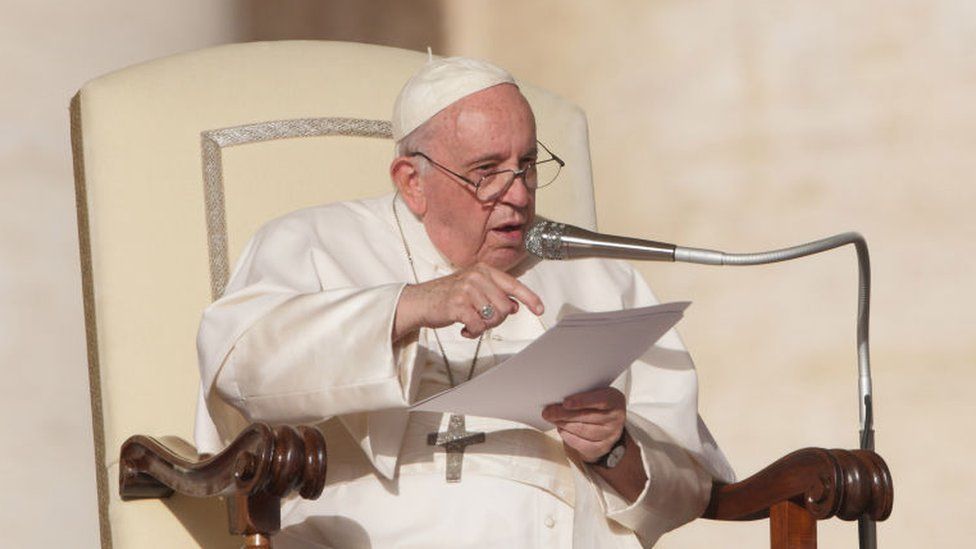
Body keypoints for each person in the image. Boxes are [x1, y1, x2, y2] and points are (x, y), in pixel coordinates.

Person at [194, 56, 733, 548]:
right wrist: (409, 306)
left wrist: (614, 450)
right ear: (413, 183)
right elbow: (239, 367)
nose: (519, 194)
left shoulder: (600, 277)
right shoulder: (311, 242)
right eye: (486, 172)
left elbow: (690, 483)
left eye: (527, 165)